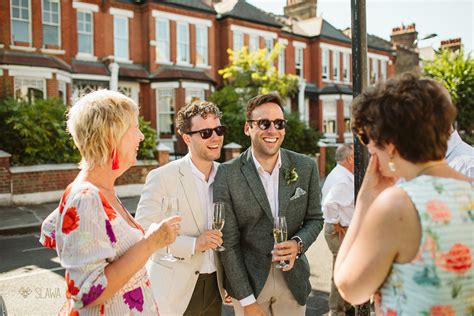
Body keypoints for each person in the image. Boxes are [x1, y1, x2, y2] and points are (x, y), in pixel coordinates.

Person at [334, 73, 473, 315]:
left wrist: (365, 200)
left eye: (367, 137)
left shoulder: (398, 205)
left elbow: (350, 288)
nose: (367, 147)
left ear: (389, 142)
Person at [39, 90, 181, 315]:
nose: (141, 136)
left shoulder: (100, 192)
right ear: (111, 136)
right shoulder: (86, 197)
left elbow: (50, 228)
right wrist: (151, 243)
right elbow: (86, 293)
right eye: (135, 128)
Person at [214, 93, 324, 316]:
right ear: (248, 128)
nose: (272, 130)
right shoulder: (226, 174)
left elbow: (315, 218)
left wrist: (298, 243)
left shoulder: (305, 167)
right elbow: (229, 242)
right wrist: (246, 300)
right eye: (264, 123)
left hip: (293, 281)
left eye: (279, 123)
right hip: (250, 284)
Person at [135, 100, 226, 316]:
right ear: (187, 138)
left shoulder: (227, 175)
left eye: (219, 130)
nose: (215, 137)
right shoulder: (161, 177)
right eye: (205, 133)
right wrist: (194, 244)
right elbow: (143, 232)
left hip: (216, 286)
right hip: (173, 290)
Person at [322, 143, 355, 316]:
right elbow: (329, 203)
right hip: (339, 230)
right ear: (349, 159)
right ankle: (336, 311)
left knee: (346, 269)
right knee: (341, 271)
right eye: (355, 156)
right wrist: (334, 221)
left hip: (342, 229)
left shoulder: (341, 174)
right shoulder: (342, 179)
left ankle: (346, 306)